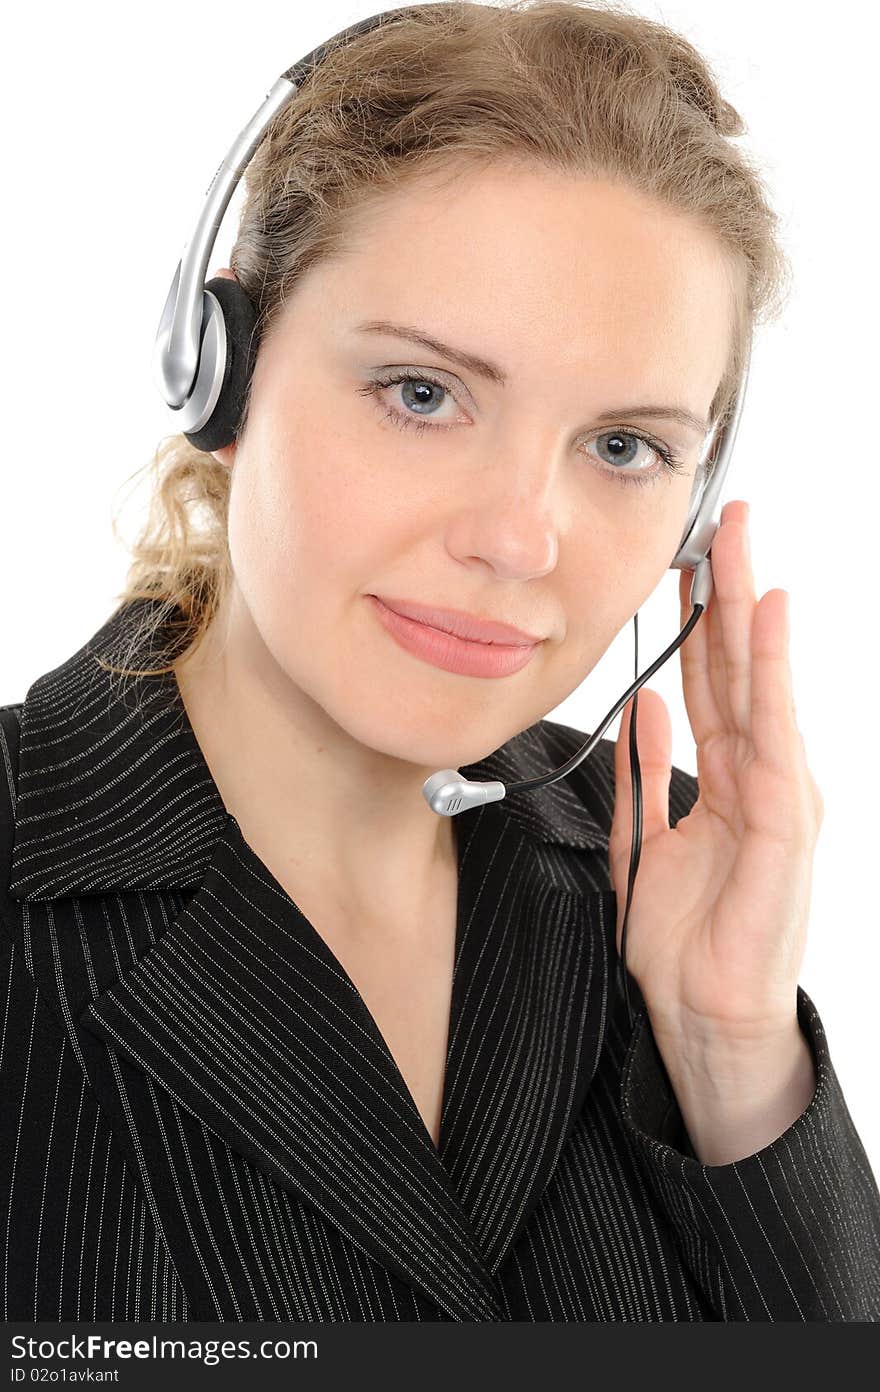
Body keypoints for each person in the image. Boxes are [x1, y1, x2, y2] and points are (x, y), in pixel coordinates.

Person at [1, 0, 878, 1324]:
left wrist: (733, 1055)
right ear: (219, 376)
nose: (522, 539)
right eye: (423, 394)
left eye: (624, 446)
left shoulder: (664, 889)